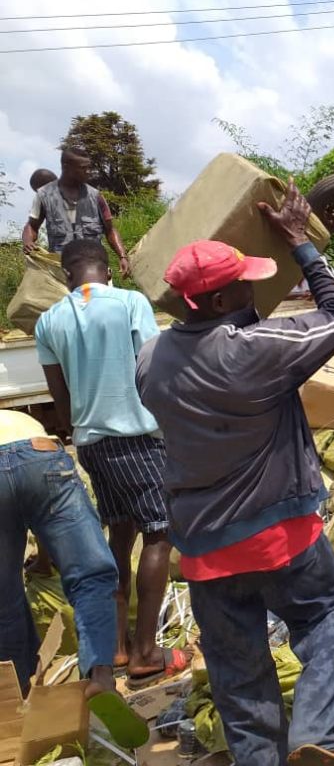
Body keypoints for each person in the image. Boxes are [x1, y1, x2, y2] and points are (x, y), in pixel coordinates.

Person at [136, 180, 334, 766]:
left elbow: (212, 338)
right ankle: (317, 740)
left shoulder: (150, 362)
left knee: (238, 673)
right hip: (278, 533)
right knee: (328, 613)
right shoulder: (252, 351)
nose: (254, 287)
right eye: (243, 284)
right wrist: (300, 245)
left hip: (204, 549)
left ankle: (261, 758)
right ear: (215, 302)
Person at [34, 237, 183, 688]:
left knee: (120, 534)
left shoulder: (49, 320)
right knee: (159, 535)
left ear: (66, 276)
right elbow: (154, 366)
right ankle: (144, 651)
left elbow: (58, 398)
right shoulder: (129, 302)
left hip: (92, 444)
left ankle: (116, 645)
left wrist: (80, 426)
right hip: (138, 436)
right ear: (107, 269)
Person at [0, 409, 149, 750]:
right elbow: (36, 503)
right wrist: (49, 556)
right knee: (92, 578)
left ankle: (19, 705)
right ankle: (100, 676)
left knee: (5, 600)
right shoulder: (18, 419)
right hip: (41, 457)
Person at [22, 148, 129, 276]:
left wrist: (122, 256)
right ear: (66, 167)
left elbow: (110, 230)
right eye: (83, 168)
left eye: (88, 167)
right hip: (61, 272)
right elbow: (32, 226)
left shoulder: (95, 196)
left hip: (95, 270)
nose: (88, 172)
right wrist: (28, 241)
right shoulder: (44, 196)